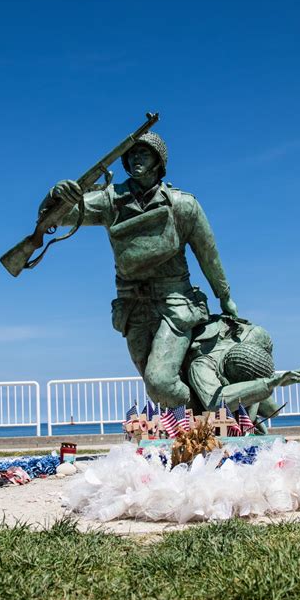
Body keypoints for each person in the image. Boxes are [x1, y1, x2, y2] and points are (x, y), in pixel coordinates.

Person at [38, 132, 238, 408]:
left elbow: (208, 255)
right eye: (131, 154)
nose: (135, 159)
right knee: (154, 384)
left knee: (160, 383)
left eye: (143, 153)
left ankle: (209, 409)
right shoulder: (111, 200)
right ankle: (198, 420)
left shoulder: (183, 204)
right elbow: (57, 219)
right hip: (132, 306)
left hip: (175, 304)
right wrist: (55, 195)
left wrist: (224, 296)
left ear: (159, 161)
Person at [183, 315, 300, 431]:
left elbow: (272, 410)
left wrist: (275, 382)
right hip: (200, 397)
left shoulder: (256, 336)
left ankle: (247, 419)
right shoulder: (201, 365)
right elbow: (215, 403)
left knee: (272, 411)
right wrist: (270, 383)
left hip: (249, 380)